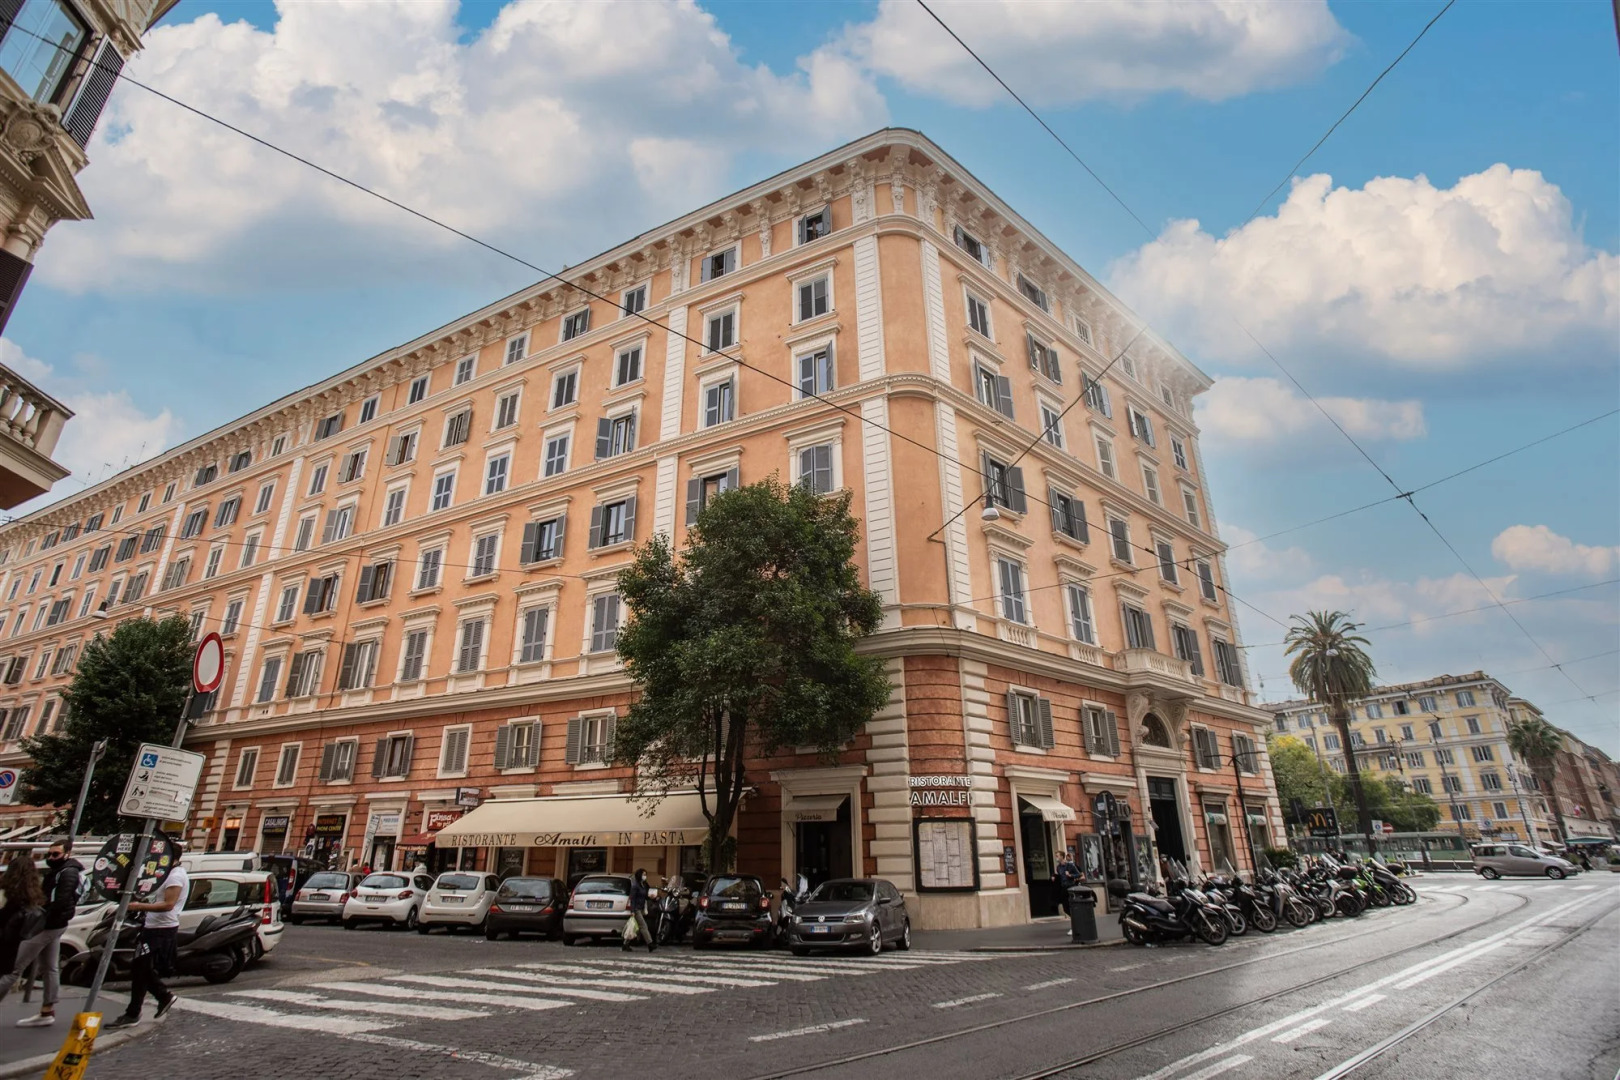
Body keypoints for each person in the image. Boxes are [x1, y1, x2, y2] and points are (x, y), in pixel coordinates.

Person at [0, 839, 82, 1027]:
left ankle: (48, 1010)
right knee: (50, 967)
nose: (51, 858)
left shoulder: (67, 873)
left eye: (56, 854)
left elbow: (60, 902)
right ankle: (47, 1010)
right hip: (55, 924)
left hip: (49, 925)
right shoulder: (62, 871)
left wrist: (42, 919)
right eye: (49, 854)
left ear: (67, 853)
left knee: (14, 969)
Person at [105, 855, 190, 1029]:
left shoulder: (175, 876)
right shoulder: (170, 874)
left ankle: (153, 1001)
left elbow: (168, 904)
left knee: (141, 967)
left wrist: (138, 906)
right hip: (155, 927)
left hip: (162, 929)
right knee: (140, 968)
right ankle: (140, 1008)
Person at [622, 869, 656, 953]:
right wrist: (632, 911)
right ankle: (650, 944)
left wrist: (651, 897)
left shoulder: (643, 885)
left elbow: (645, 896)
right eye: (643, 874)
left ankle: (625, 944)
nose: (645, 876)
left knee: (635, 928)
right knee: (643, 926)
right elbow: (632, 899)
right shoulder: (635, 886)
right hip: (636, 909)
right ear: (639, 875)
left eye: (646, 874)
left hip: (641, 908)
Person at [1053, 849, 1081, 915]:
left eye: (1057, 856)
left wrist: (1070, 875)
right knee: (1065, 908)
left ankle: (1077, 917)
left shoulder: (1070, 865)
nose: (1056, 858)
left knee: (1073, 905)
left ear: (1062, 857)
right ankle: (1074, 917)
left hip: (1071, 887)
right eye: (1056, 856)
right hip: (1064, 888)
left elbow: (1079, 874)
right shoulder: (1058, 867)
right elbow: (1060, 876)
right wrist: (1054, 876)